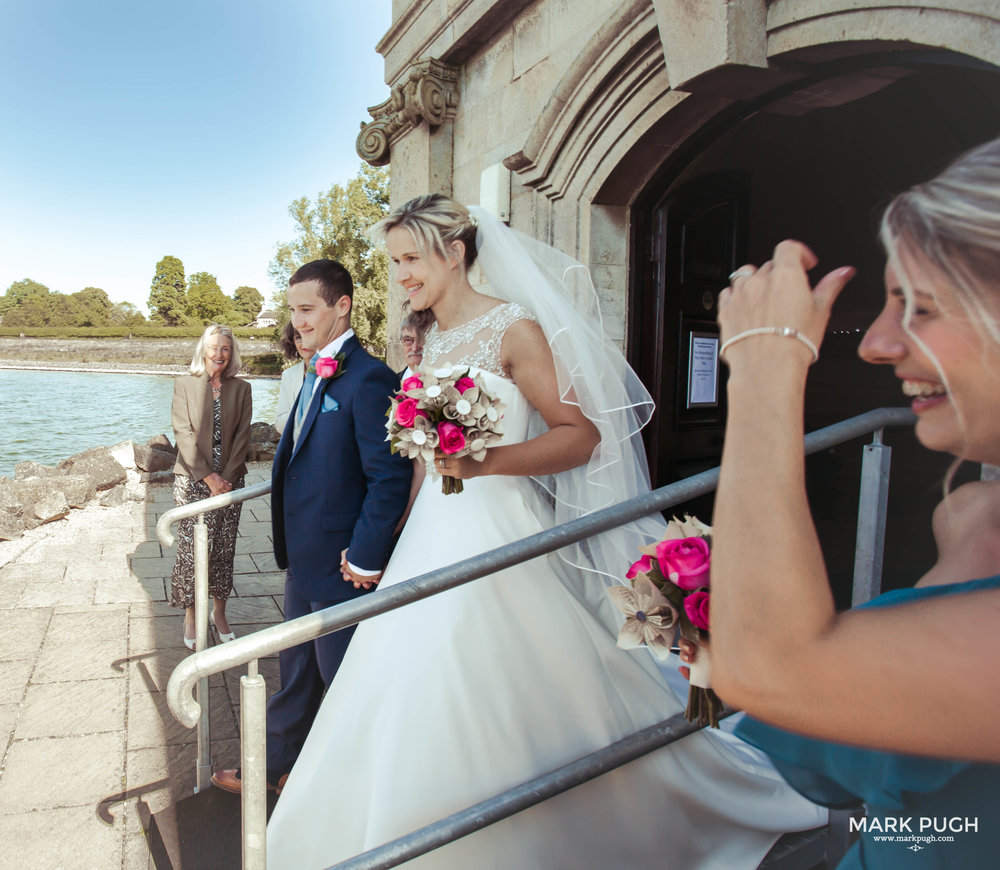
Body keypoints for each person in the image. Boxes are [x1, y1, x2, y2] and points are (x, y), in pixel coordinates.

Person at [265, 195, 825, 869]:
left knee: (482, 672)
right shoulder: (432, 341)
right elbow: (417, 468)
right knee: (400, 678)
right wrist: (391, 540)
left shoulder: (514, 330)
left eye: (411, 259)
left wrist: (487, 460)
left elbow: (580, 436)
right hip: (428, 542)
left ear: (457, 252)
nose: (402, 275)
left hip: (497, 533)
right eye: (394, 263)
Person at [693, 137, 1000, 868]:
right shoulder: (973, 523)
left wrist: (765, 360)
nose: (877, 343)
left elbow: (771, 668)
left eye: (921, 306)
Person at [212, 259, 412, 796]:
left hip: (344, 564)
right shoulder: (314, 371)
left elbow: (389, 477)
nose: (297, 321)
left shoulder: (370, 379)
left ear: (341, 306)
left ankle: (345, 792)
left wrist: (366, 556)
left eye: (307, 310)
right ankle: (273, 769)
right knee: (294, 668)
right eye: (293, 310)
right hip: (303, 557)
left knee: (339, 675)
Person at [170, 324, 252, 650]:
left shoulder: (242, 388)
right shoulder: (184, 385)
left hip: (231, 479)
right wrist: (209, 477)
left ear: (232, 354)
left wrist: (226, 477)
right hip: (192, 478)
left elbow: (243, 435)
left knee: (222, 549)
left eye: (226, 349)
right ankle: (192, 615)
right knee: (192, 552)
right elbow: (183, 433)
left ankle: (219, 614)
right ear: (203, 349)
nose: (219, 354)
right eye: (214, 347)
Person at [274, 320, 314, 435]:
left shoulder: (337, 369)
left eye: (308, 334)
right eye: (298, 337)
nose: (304, 342)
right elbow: (280, 425)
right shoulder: (289, 375)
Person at [397, 305, 433, 376]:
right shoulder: (390, 384)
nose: (415, 348)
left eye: (421, 340)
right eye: (408, 340)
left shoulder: (445, 380)